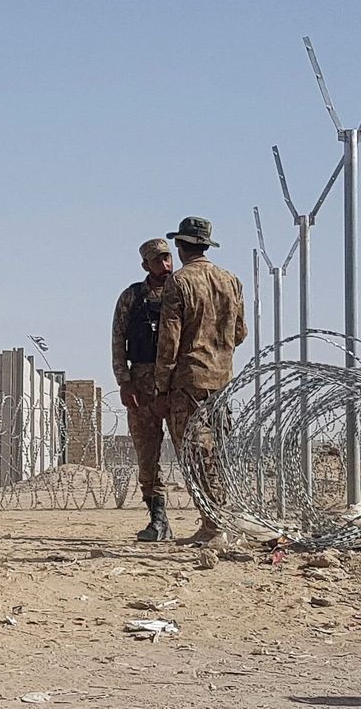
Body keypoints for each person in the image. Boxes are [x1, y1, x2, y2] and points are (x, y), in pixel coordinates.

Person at [154, 216, 249, 544]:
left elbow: (170, 340)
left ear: (180, 247)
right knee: (218, 451)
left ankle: (213, 525)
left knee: (193, 453)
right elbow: (240, 332)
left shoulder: (178, 283)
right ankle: (223, 520)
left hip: (189, 379)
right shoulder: (231, 281)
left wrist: (161, 382)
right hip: (222, 380)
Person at [111, 238, 175, 542]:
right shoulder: (132, 298)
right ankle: (158, 519)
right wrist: (124, 381)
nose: (165, 266)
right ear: (145, 265)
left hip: (177, 383)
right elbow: (118, 341)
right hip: (141, 382)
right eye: (158, 260)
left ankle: (209, 519)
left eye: (168, 259)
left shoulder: (182, 292)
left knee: (194, 452)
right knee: (147, 455)